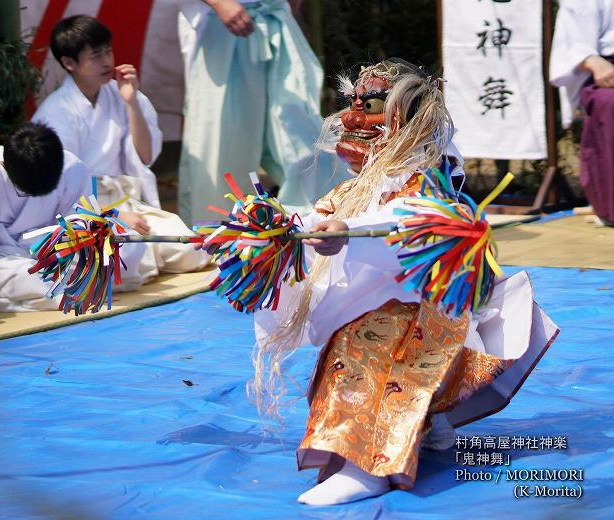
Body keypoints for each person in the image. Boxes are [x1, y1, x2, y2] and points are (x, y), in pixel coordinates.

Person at [251, 60, 559, 505]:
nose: (353, 118)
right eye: (353, 104)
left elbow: (407, 223)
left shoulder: (424, 179)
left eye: (371, 106)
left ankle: (367, 465)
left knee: (363, 346)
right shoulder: (363, 183)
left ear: (405, 116)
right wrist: (269, 237)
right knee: (360, 336)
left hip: (428, 324)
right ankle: (431, 423)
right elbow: (319, 218)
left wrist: (348, 235)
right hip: (409, 319)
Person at [32, 15, 210, 282]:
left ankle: (144, 258)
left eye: (108, 51)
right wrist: (112, 215)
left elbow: (146, 157)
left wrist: (131, 103)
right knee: (125, 262)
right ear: (69, 63)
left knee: (193, 250)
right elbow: (61, 190)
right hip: (85, 214)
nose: (106, 61)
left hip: (129, 203)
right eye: (95, 56)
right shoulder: (55, 114)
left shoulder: (124, 93)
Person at [0, 122, 155, 312]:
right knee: (23, 278)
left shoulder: (72, 168)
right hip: (0, 257)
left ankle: (84, 285)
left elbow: (82, 221)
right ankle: (80, 289)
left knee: (122, 252)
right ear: (4, 165)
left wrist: (99, 236)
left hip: (57, 250)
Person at [176, 0, 347, 224]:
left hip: (277, 17)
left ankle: (318, 220)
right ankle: (220, 234)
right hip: (219, 22)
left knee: (300, 131)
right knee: (223, 142)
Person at [550, 0, 614, 225]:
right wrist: (594, 62)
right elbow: (573, 41)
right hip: (609, 69)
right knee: (609, 102)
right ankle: (609, 205)